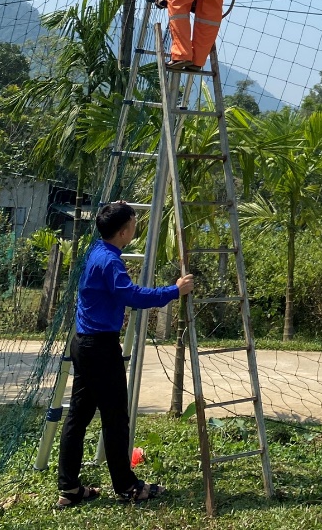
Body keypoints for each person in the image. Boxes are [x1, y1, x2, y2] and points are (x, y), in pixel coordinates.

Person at [56, 201, 195, 507]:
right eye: (133, 223)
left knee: (78, 416)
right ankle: (127, 487)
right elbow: (131, 296)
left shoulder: (95, 251)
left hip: (84, 343)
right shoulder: (109, 262)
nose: (136, 227)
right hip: (100, 349)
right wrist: (175, 290)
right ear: (123, 232)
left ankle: (69, 488)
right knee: (115, 417)